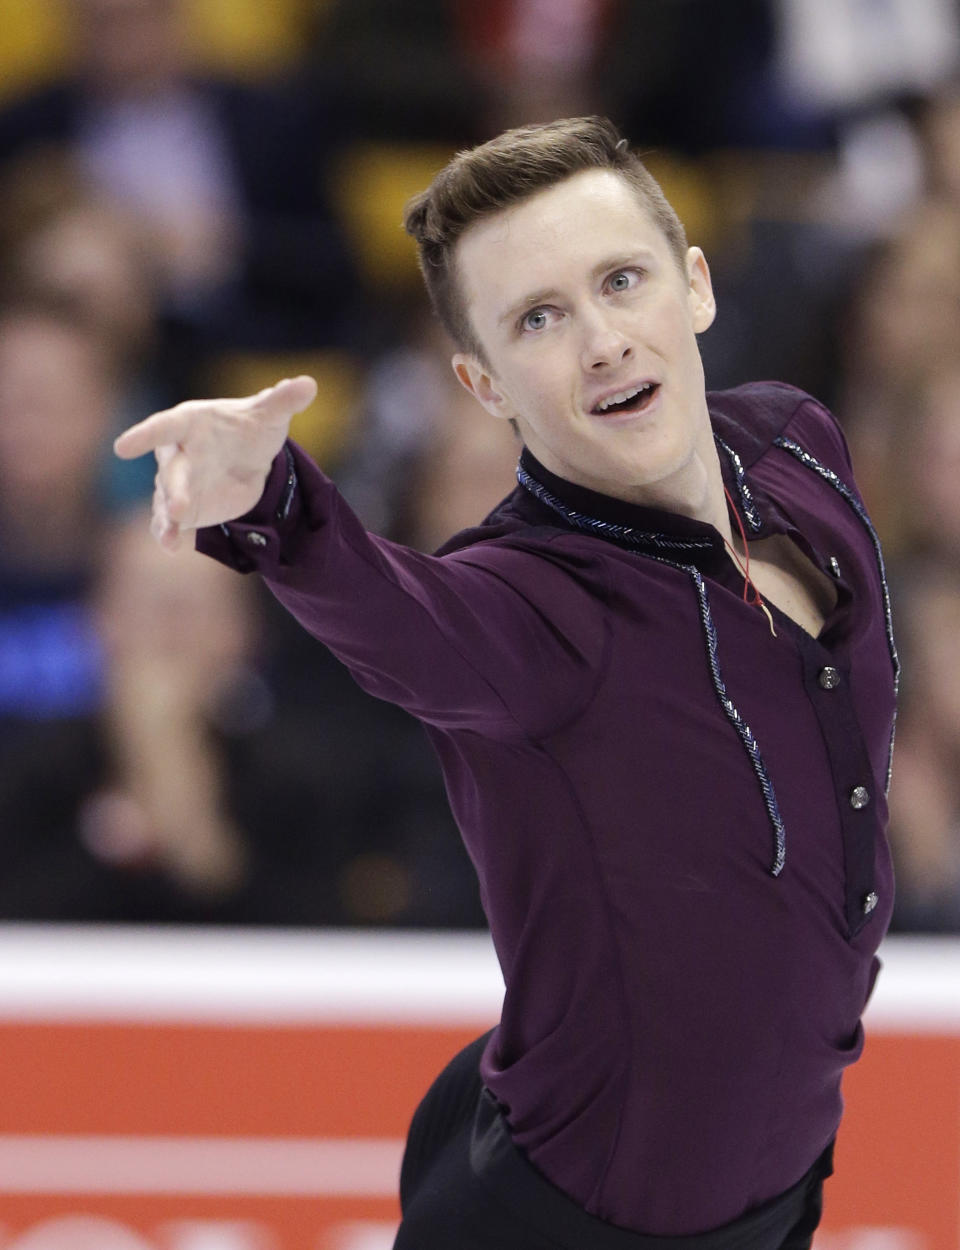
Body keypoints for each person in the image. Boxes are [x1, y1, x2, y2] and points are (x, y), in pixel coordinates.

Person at [114, 117, 899, 1249]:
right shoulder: (531, 610)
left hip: (766, 1189)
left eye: (620, 281)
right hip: (566, 1219)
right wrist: (273, 502)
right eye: (539, 317)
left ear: (696, 286)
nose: (600, 342)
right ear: (483, 383)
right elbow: (397, 616)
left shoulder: (798, 447)